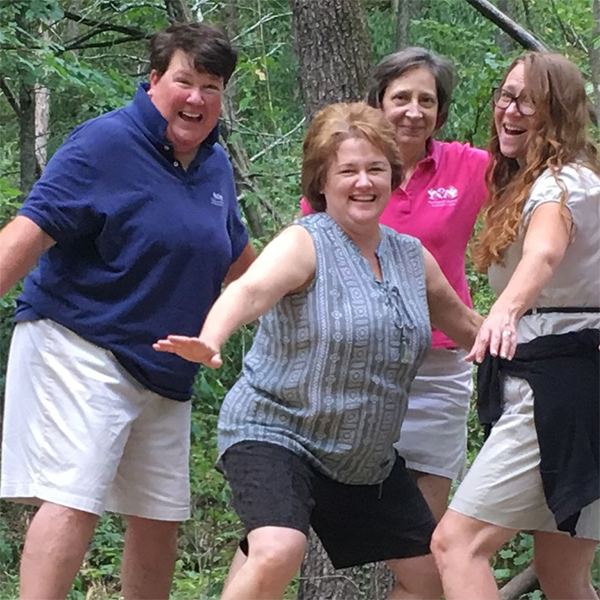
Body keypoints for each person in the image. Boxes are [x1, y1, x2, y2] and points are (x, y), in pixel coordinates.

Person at [155, 101, 483, 600]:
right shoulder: (304, 243)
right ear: (322, 182)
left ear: (393, 176)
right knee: (277, 550)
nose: (363, 183)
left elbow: (468, 328)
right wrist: (212, 336)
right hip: (277, 430)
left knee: (430, 580)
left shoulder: (410, 257)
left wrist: (546, 347)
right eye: (347, 171)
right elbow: (249, 291)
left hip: (362, 458)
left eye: (375, 169)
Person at [0, 23, 254, 600]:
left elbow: (240, 262)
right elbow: (26, 234)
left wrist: (305, 298)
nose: (195, 98)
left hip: (166, 365)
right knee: (74, 497)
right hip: (79, 343)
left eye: (210, 87)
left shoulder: (213, 165)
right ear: (154, 79)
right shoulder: (104, 144)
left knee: (158, 516)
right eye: (184, 81)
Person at [431, 52, 600, 600]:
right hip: (580, 384)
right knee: (561, 571)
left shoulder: (558, 187)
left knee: (457, 545)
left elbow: (545, 254)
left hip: (560, 389)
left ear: (560, 112)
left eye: (529, 100)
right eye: (506, 95)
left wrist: (506, 309)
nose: (510, 108)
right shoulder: (578, 180)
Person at [300, 48, 489, 520]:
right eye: (401, 97)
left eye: (426, 100)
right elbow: (312, 257)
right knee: (303, 515)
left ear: (441, 112)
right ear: (379, 103)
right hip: (356, 362)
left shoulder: (468, 168)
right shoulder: (342, 171)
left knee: (422, 541)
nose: (413, 111)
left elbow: (540, 188)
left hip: (439, 365)